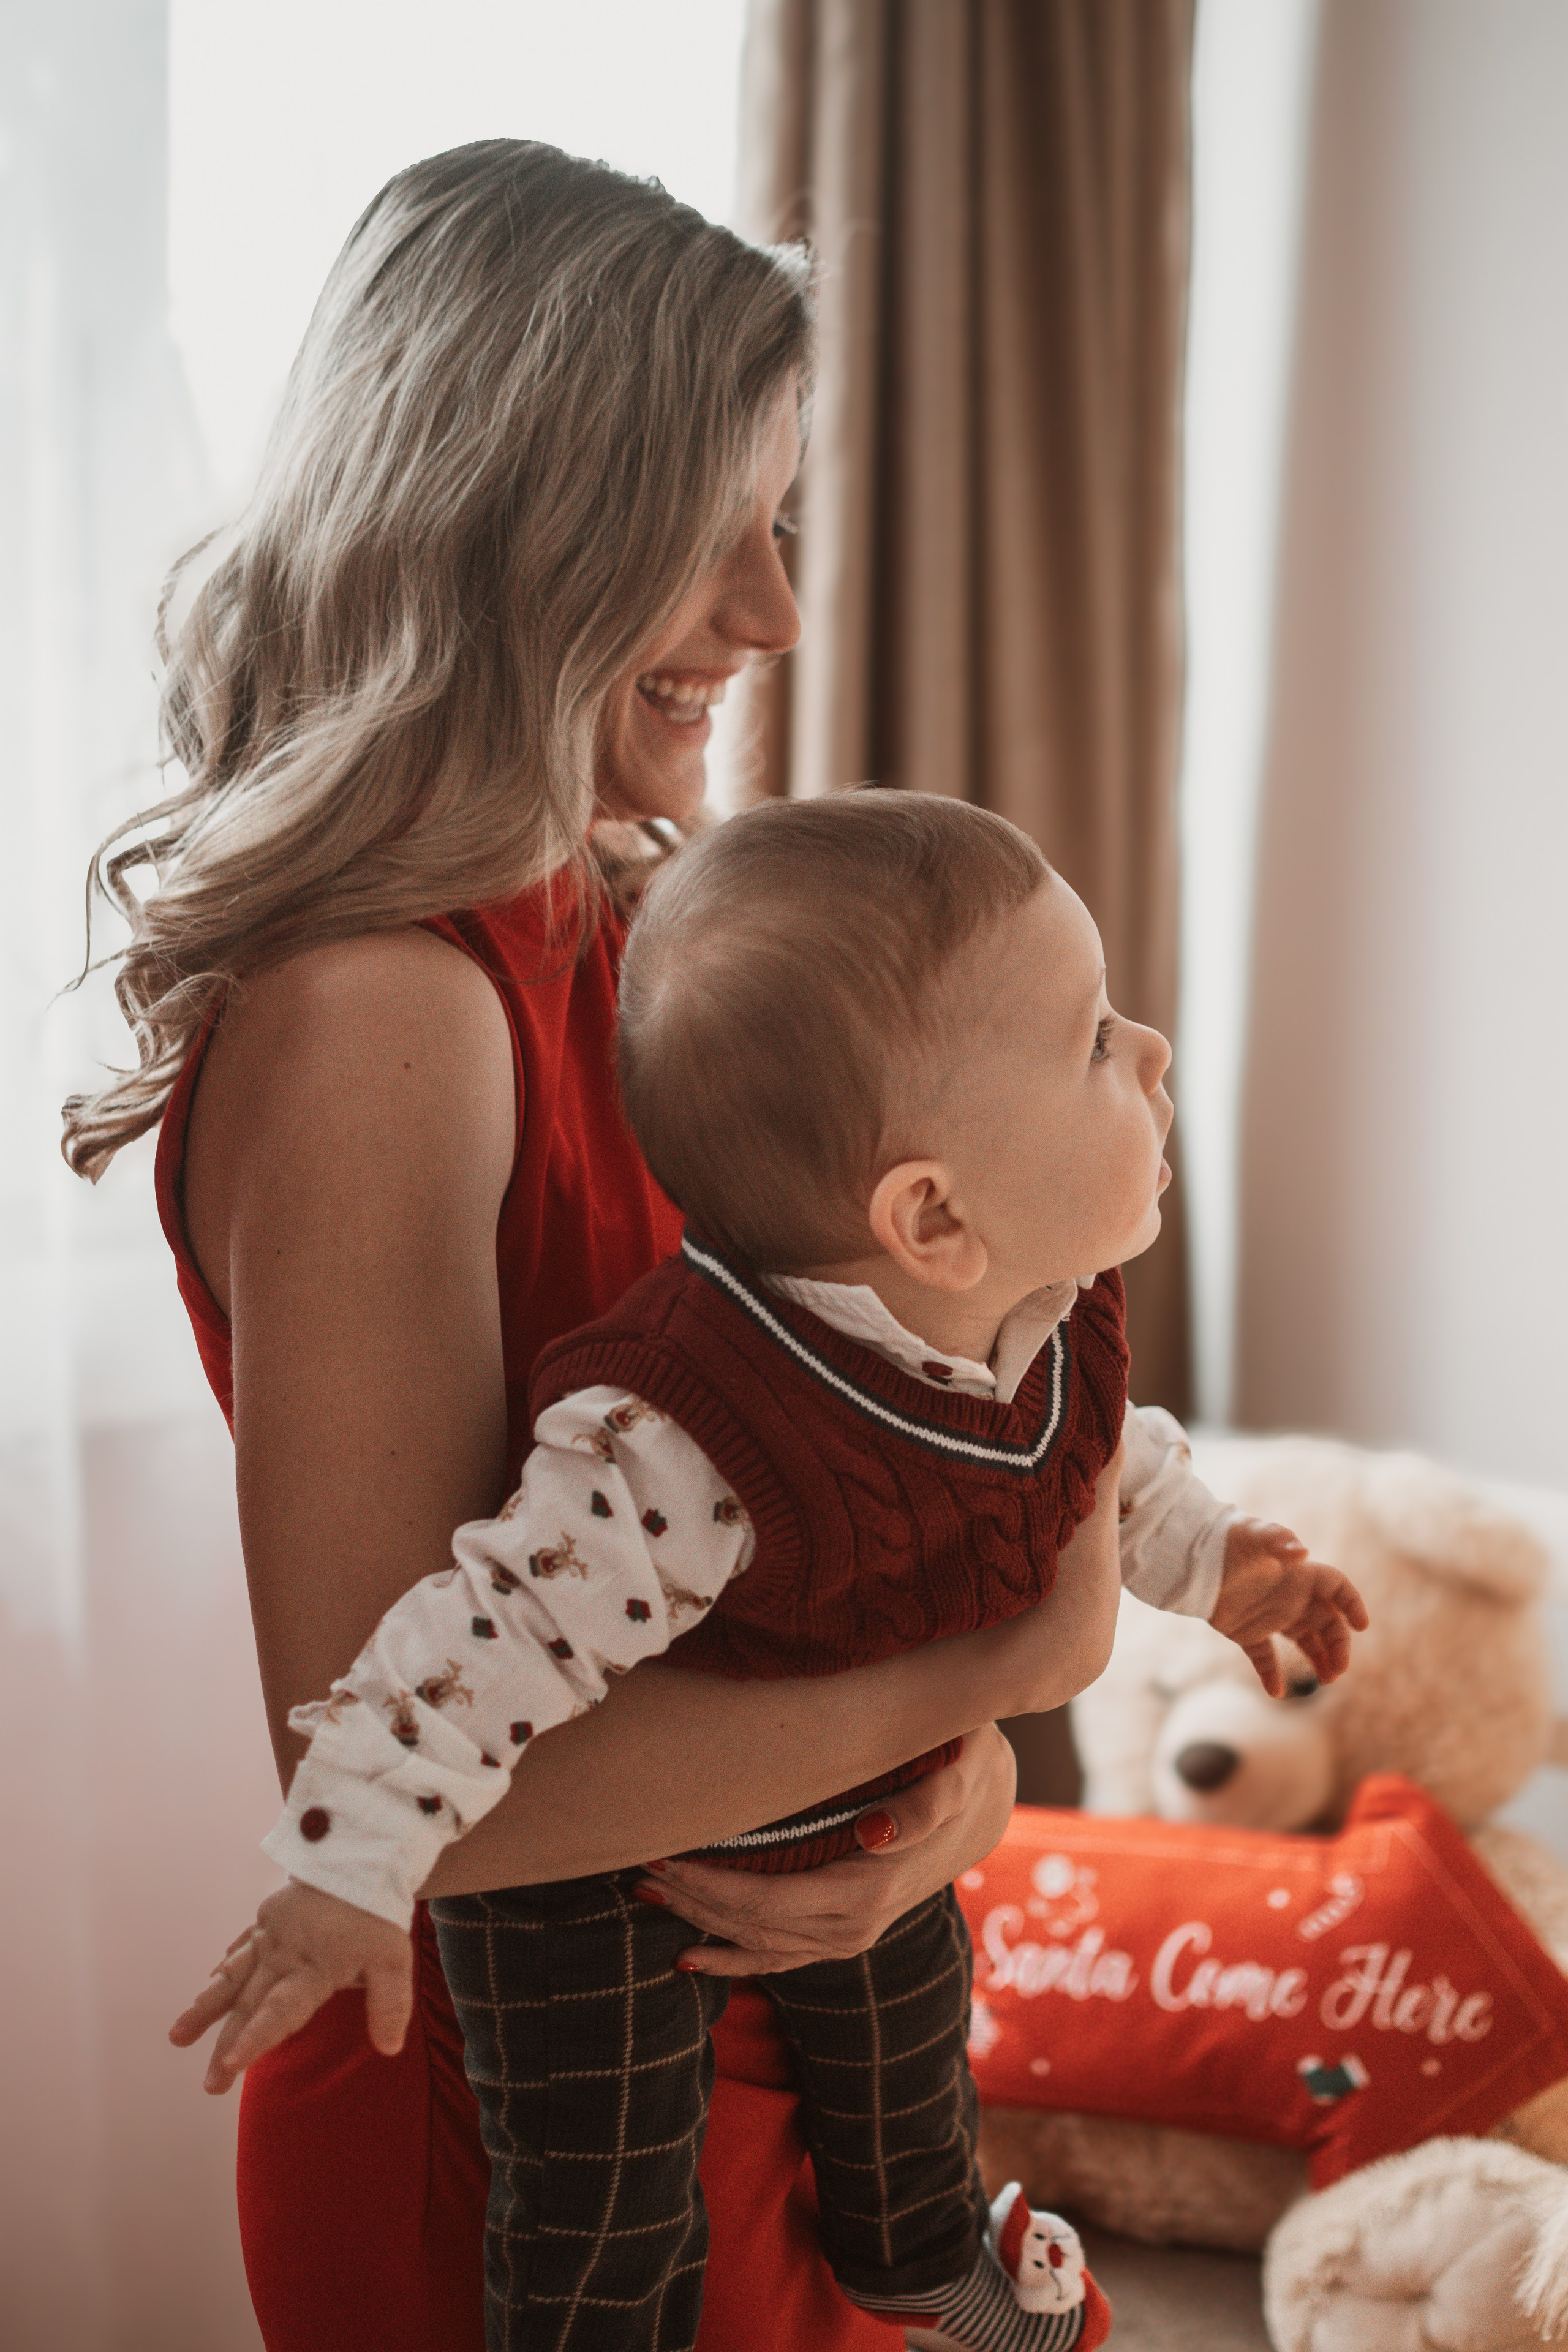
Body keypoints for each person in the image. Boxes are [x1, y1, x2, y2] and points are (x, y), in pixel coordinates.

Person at [66, 143, 1095, 2352]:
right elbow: (427, 1786)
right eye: (703, 529)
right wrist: (999, 1672)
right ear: (509, 519)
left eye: (787, 522)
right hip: (530, 2164)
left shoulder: (643, 933)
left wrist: (954, 1811)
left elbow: (808, 1541)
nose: (777, 614)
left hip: (794, 2066)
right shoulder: (384, 1017)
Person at [172, 796, 1368, 2352]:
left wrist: (1217, 1567)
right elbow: (472, 1643)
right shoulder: (688, 1440)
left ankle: (925, 2253)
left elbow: (1099, 1459)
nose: (1145, 1049)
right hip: (593, 1898)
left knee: (910, 2057)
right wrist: (340, 1873)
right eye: (1090, 1041)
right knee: (606, 2205)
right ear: (928, 1214)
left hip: (841, 1833)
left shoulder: (1041, 1307)